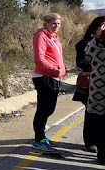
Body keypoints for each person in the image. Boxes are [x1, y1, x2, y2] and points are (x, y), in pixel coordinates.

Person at [31, 12, 66, 152]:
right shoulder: (41, 36)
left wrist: (62, 69)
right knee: (43, 109)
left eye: (58, 23)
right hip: (44, 76)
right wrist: (54, 69)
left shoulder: (54, 37)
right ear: (46, 23)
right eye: (53, 23)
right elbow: (39, 59)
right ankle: (38, 140)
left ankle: (42, 137)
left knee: (49, 108)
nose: (56, 26)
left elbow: (56, 56)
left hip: (54, 77)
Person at [73, 16, 105, 152]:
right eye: (102, 26)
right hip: (92, 83)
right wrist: (90, 67)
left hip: (98, 83)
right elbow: (81, 60)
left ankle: (100, 143)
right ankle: (90, 141)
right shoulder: (88, 42)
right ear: (96, 27)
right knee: (91, 112)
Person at [84, 26, 105, 164]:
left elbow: (86, 57)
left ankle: (102, 154)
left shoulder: (93, 45)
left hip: (98, 85)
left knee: (99, 121)